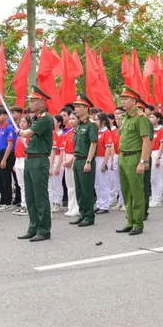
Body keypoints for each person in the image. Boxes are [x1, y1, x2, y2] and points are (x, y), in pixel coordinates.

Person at [17, 87, 53, 242]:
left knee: (40, 196)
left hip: (39, 160)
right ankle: (33, 227)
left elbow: (27, 133)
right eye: (30, 100)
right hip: (30, 159)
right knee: (30, 196)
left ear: (42, 102)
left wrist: (18, 130)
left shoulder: (45, 118)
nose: (30, 103)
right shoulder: (37, 118)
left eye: (33, 100)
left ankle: (44, 229)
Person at [116, 87, 152, 235]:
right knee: (126, 192)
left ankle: (138, 222)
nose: (122, 101)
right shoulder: (125, 117)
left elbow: (146, 140)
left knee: (137, 192)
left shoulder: (140, 117)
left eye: (126, 99)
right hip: (123, 157)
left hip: (134, 157)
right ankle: (130, 221)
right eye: (122, 99)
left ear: (134, 101)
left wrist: (143, 161)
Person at [69, 93, 98, 227]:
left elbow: (93, 143)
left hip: (86, 160)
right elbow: (77, 145)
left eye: (79, 106)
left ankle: (89, 216)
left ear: (86, 108)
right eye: (76, 106)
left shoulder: (91, 125)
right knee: (79, 189)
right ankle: (82, 213)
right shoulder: (79, 125)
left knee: (87, 190)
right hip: (78, 160)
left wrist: (88, 161)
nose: (76, 109)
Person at [0, 108, 16, 209]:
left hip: (7, 154)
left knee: (6, 178)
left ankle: (8, 201)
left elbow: (10, 144)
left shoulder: (9, 128)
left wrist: (4, 159)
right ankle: (3, 200)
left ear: (6, 116)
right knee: (0, 178)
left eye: (0, 115)